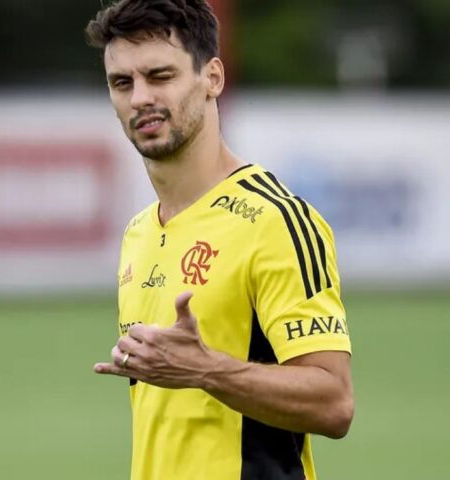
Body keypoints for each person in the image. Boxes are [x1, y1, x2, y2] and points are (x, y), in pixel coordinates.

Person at [86, 1, 353, 479]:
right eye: (122, 83)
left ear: (212, 78)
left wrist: (206, 369)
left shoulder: (276, 219)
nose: (140, 97)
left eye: (160, 75)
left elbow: (334, 403)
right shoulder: (139, 231)